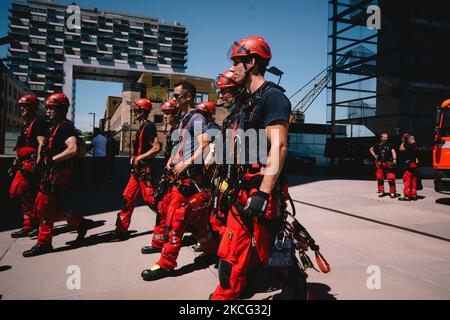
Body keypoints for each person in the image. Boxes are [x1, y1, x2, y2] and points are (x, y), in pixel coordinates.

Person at [210, 36, 291, 300]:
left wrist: (263, 194)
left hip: (259, 191)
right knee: (233, 248)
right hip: (241, 188)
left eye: (236, 63)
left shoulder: (272, 98)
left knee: (272, 253)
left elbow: (278, 147)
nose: (232, 70)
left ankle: (297, 290)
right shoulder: (247, 101)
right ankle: (226, 295)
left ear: (252, 62)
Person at [141, 81, 218, 281]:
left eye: (177, 96)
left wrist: (186, 164)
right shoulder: (185, 119)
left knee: (175, 222)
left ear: (188, 97)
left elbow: (205, 146)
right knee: (197, 223)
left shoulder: (197, 118)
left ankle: (166, 263)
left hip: (189, 180)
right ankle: (211, 251)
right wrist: (172, 160)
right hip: (180, 178)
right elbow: (183, 146)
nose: (174, 99)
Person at [23, 93, 92, 257]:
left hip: (57, 173)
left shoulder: (65, 127)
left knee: (45, 207)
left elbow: (73, 148)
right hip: (50, 172)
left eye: (52, 108)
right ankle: (79, 223)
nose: (49, 111)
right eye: (48, 108)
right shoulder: (54, 126)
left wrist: (52, 160)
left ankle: (44, 243)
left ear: (62, 109)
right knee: (46, 207)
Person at [112, 98, 161, 240]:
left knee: (153, 201)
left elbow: (156, 147)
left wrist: (139, 158)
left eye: (136, 111)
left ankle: (168, 225)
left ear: (142, 111)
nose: (133, 113)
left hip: (146, 171)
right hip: (137, 172)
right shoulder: (141, 126)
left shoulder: (149, 126)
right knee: (127, 198)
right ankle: (121, 230)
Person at [141, 98, 179, 254]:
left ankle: (209, 245)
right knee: (163, 207)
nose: (164, 117)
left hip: (180, 176)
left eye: (168, 113)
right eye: (163, 114)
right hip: (170, 175)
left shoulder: (181, 131)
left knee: (191, 215)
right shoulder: (173, 130)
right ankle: (158, 242)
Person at [9, 95, 46, 238]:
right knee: (23, 195)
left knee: (23, 192)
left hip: (31, 165)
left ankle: (36, 224)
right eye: (21, 106)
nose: (22, 109)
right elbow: (22, 145)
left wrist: (37, 165)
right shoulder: (26, 124)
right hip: (23, 163)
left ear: (32, 108)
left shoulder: (38, 123)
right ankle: (28, 225)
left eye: (25, 106)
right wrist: (15, 163)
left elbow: (41, 144)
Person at [369, 133, 398, 198]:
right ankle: (381, 191)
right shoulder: (377, 144)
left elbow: (393, 151)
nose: (386, 138)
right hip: (380, 163)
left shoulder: (390, 144)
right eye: (385, 137)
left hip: (389, 163)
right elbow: (371, 149)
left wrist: (394, 159)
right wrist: (375, 156)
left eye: (387, 137)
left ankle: (392, 192)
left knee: (391, 178)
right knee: (380, 178)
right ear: (381, 138)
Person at [398, 134, 421, 201]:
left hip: (410, 164)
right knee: (413, 179)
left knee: (407, 178)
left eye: (408, 139)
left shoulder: (410, 146)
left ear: (410, 139)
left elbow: (400, 149)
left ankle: (407, 196)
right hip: (415, 164)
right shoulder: (417, 145)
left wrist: (403, 141)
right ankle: (414, 195)